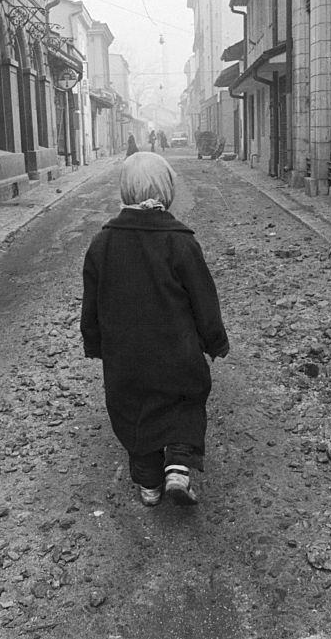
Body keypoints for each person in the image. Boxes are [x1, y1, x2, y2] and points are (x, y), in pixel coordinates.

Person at [81, 152, 229, 507]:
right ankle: (177, 463)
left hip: (125, 357)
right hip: (176, 351)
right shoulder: (180, 242)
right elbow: (203, 297)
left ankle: (148, 482)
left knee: (134, 413)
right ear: (166, 190)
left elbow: (92, 302)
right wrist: (214, 339)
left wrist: (95, 342)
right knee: (183, 402)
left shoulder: (102, 244)